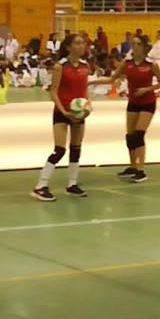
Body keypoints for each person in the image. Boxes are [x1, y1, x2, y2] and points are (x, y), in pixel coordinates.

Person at [33, 32, 95, 202]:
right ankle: (41, 185)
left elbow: (84, 89)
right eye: (77, 43)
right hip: (62, 112)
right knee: (60, 149)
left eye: (83, 43)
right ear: (68, 47)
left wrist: (87, 106)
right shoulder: (60, 66)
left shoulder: (85, 66)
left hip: (78, 112)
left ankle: (72, 184)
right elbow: (53, 91)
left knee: (76, 148)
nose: (81, 46)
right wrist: (63, 111)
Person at [119, 36, 159, 184]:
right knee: (130, 136)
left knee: (139, 134)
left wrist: (146, 89)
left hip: (148, 102)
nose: (135, 46)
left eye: (138, 44)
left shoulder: (151, 65)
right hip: (133, 102)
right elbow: (112, 78)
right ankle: (132, 166)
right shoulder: (127, 63)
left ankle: (141, 170)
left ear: (143, 47)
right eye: (133, 44)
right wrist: (90, 83)